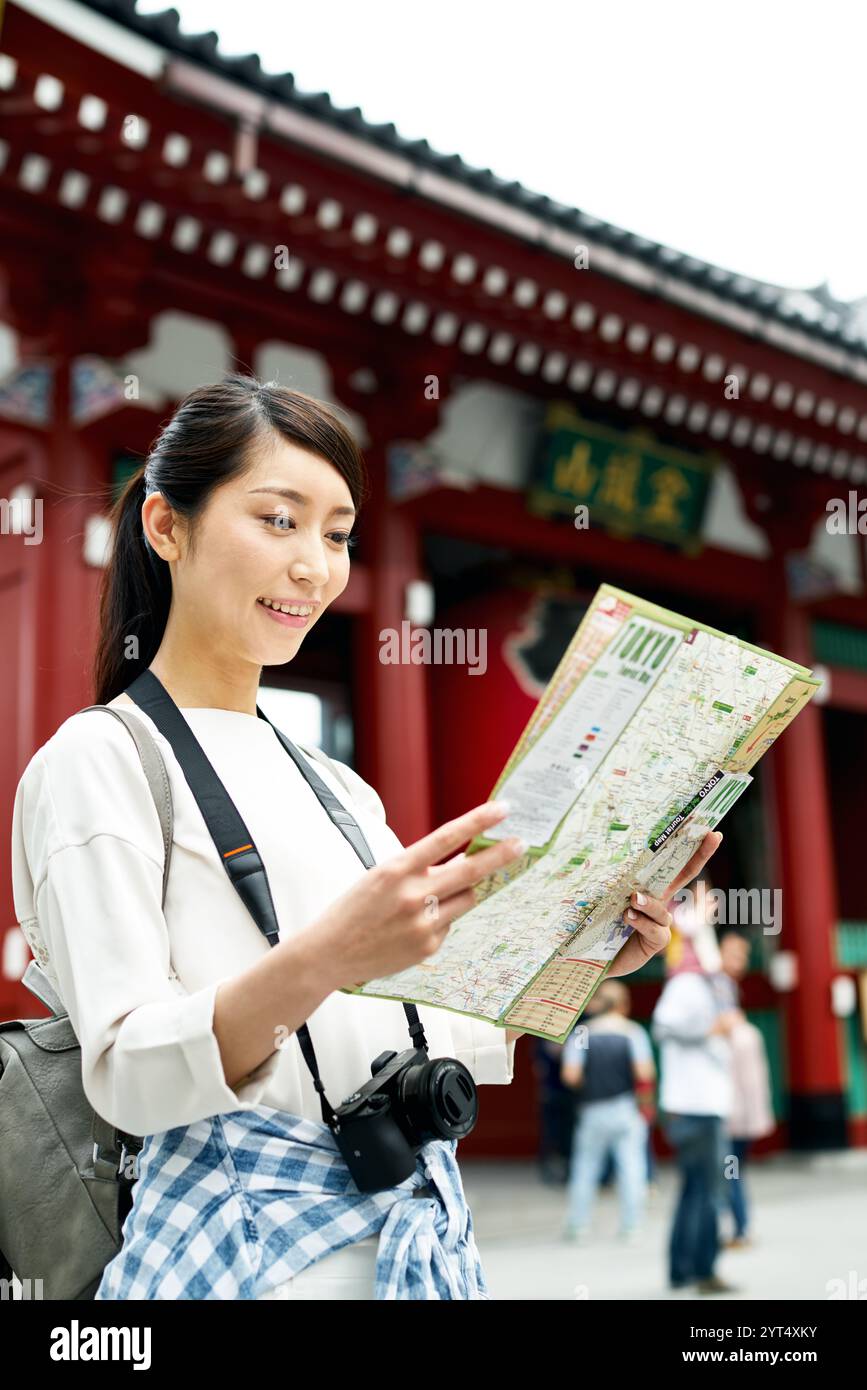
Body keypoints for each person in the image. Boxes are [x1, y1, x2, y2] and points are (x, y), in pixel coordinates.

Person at [11, 373, 721, 1299]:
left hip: (407, 1246)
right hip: (233, 1256)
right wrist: (328, 955)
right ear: (165, 527)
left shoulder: (337, 786)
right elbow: (130, 1075)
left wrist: (592, 952)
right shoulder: (98, 761)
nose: (315, 564)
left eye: (338, 534)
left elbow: (428, 1020)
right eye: (278, 519)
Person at [651, 881, 741, 1295]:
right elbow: (666, 1025)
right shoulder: (686, 984)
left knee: (695, 1189)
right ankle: (701, 1268)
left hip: (696, 1102)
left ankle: (682, 1267)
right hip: (696, 1104)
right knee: (707, 1191)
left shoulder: (702, 984)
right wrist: (710, 1029)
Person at [561, 981, 655, 1242]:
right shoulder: (632, 1033)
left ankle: (578, 1226)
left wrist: (588, 1082)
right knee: (631, 1167)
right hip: (625, 1107)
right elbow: (645, 1073)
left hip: (592, 1109)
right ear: (623, 1004)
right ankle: (631, 1226)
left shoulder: (583, 1032)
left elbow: (571, 1075)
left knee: (585, 1167)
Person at [717, 930, 775, 1248]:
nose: (740, 962)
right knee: (730, 1167)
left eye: (744, 956)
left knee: (731, 1166)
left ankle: (738, 1226)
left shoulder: (728, 991)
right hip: (727, 1102)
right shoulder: (715, 989)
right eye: (735, 954)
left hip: (736, 1105)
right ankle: (738, 1225)